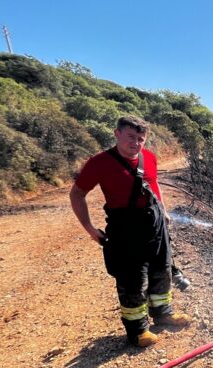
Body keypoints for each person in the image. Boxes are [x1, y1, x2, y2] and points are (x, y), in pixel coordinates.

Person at [70, 116, 191, 347]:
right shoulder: (100, 162)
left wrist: (163, 211)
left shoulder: (150, 158)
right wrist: (89, 228)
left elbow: (153, 184)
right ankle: (137, 331)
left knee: (161, 270)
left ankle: (163, 314)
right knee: (133, 279)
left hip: (155, 224)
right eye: (130, 137)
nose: (135, 143)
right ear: (117, 134)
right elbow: (77, 194)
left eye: (140, 139)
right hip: (125, 227)